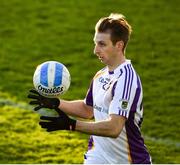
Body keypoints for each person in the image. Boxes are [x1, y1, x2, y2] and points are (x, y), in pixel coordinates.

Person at [28, 13, 152, 164]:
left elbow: (114, 128)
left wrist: (71, 125)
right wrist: (56, 103)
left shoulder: (126, 80)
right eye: (95, 43)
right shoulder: (101, 75)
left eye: (102, 44)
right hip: (97, 154)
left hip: (128, 160)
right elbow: (88, 109)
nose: (95, 51)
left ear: (119, 45)